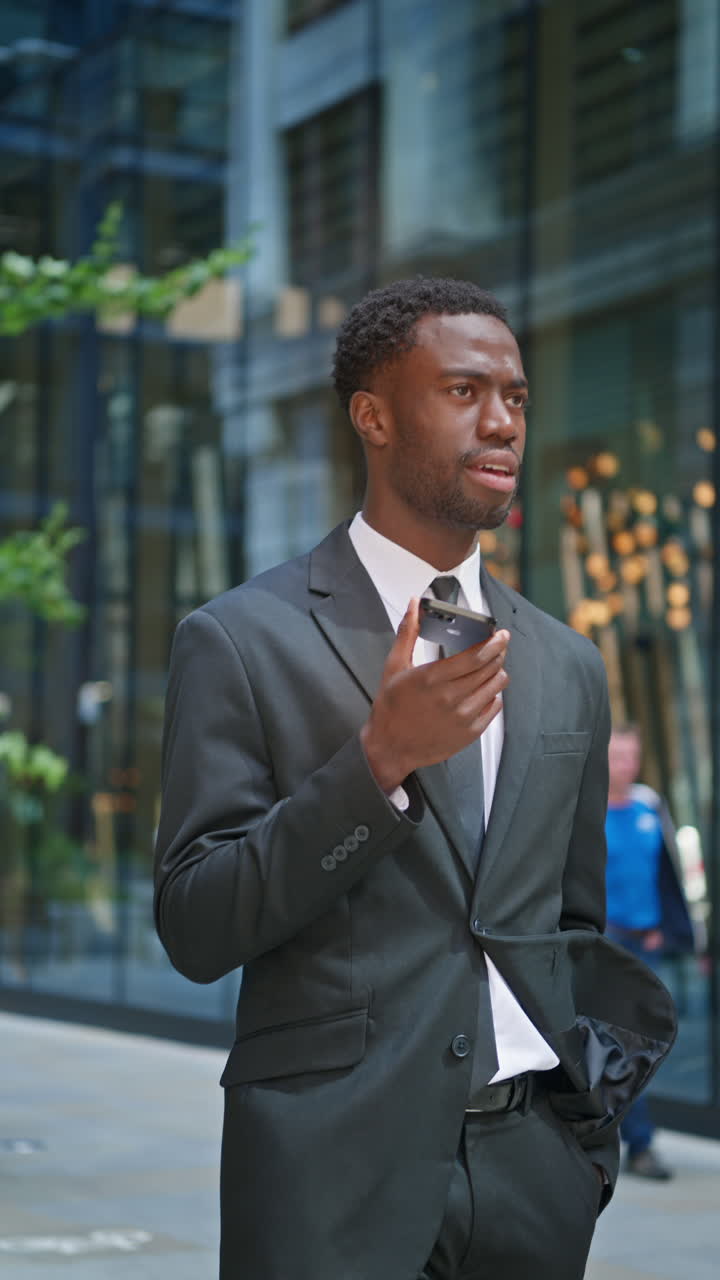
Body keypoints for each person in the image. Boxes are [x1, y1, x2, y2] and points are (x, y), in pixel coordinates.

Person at [154, 278, 676, 1280]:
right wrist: (375, 764)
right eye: (465, 389)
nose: (502, 421)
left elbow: (571, 924)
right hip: (328, 1181)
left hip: (534, 1179)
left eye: (517, 396)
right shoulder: (238, 640)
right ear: (375, 415)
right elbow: (193, 922)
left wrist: (582, 1150)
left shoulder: (566, 662)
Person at [606, 723, 694, 1181]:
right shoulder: (586, 810)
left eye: (632, 757)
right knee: (619, 1047)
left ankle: (634, 1140)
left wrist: (667, 928)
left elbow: (669, 872)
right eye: (618, 756)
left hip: (648, 944)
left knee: (644, 1045)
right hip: (605, 945)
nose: (626, 766)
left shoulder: (649, 805)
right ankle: (636, 1144)